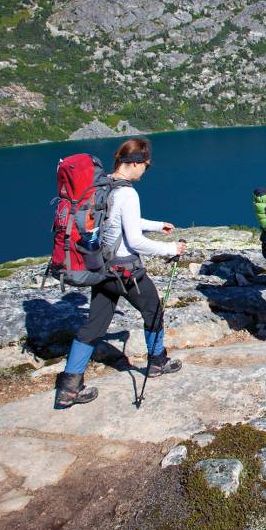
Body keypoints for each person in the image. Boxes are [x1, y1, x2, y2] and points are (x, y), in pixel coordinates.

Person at [54, 138, 187, 409]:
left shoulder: (103, 185)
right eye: (145, 166)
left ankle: (69, 386)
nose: (145, 171)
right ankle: (157, 362)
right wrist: (171, 248)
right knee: (153, 310)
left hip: (101, 268)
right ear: (135, 162)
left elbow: (119, 221)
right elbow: (134, 241)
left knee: (94, 325)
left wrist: (157, 224)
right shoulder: (127, 193)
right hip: (126, 271)